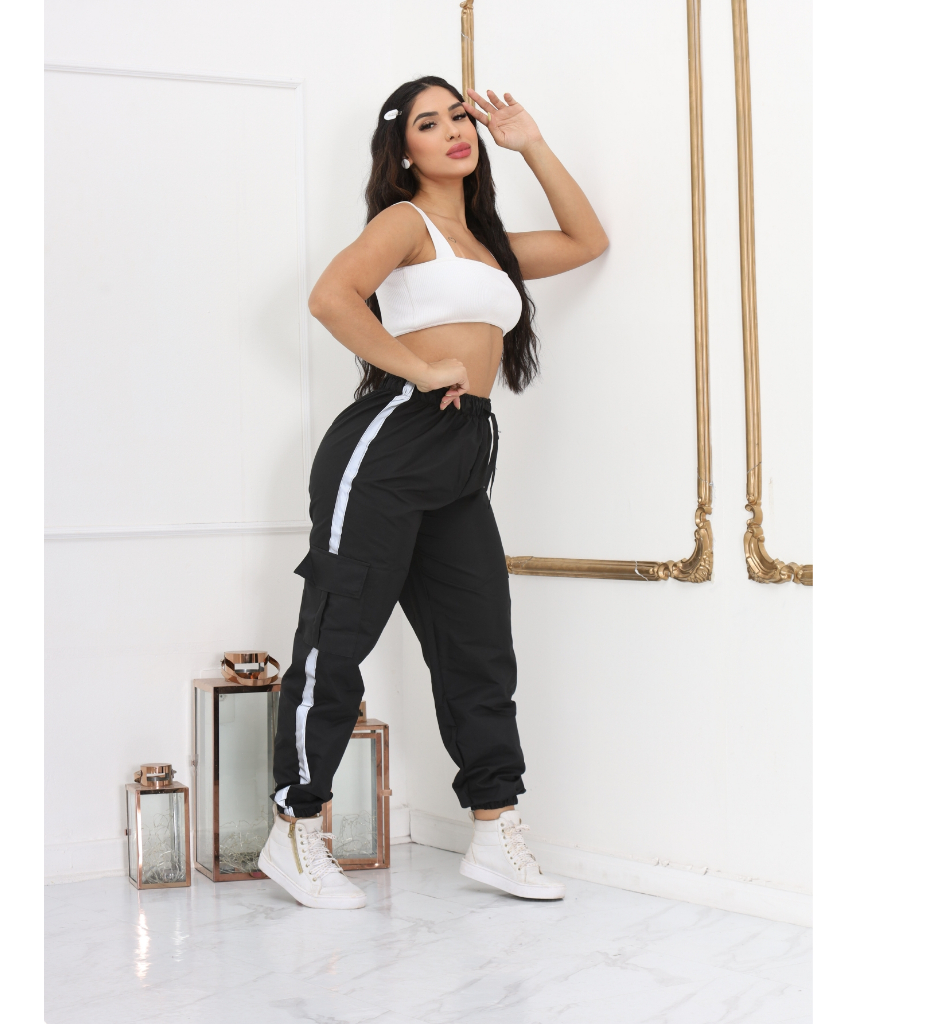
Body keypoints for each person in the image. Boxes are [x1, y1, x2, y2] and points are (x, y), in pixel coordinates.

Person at [258, 76, 608, 908]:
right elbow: (330, 297)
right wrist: (416, 367)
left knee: (478, 647)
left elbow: (586, 240)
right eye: (429, 122)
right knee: (339, 636)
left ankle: (494, 830)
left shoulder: (488, 244)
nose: (454, 130)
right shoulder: (404, 222)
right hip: (389, 443)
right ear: (403, 148)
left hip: (461, 453)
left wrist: (530, 142)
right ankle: (295, 830)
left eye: (459, 115)